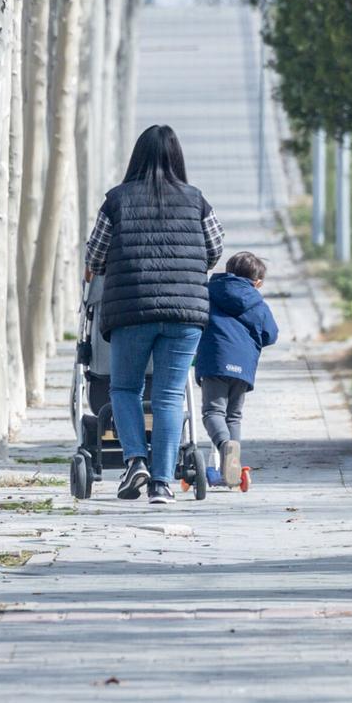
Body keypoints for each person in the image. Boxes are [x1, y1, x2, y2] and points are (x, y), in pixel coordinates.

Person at [84, 125, 223, 504]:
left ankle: (135, 461)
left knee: (125, 388)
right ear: (177, 157)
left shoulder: (116, 200)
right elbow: (214, 249)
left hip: (131, 311)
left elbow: (94, 257)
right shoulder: (197, 201)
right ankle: (162, 484)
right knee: (168, 396)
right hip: (185, 313)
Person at [194, 251, 278, 487]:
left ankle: (224, 447)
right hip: (243, 366)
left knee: (213, 412)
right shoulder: (258, 303)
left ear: (227, 271)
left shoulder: (208, 291)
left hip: (214, 360)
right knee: (234, 415)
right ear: (258, 282)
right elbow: (271, 335)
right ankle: (233, 467)